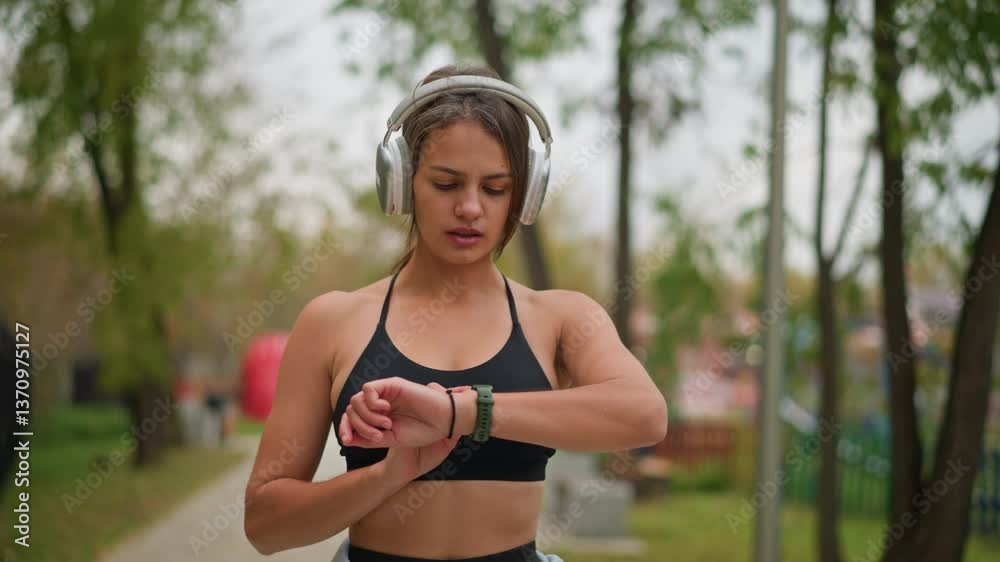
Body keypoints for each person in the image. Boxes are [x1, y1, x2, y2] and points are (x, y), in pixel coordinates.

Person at [243, 63, 668, 562]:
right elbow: (265, 527)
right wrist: (390, 473)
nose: (470, 207)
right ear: (401, 182)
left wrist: (458, 414)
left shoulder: (560, 318)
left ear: (524, 196)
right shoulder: (333, 321)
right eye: (446, 184)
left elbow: (645, 415)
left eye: (495, 188)